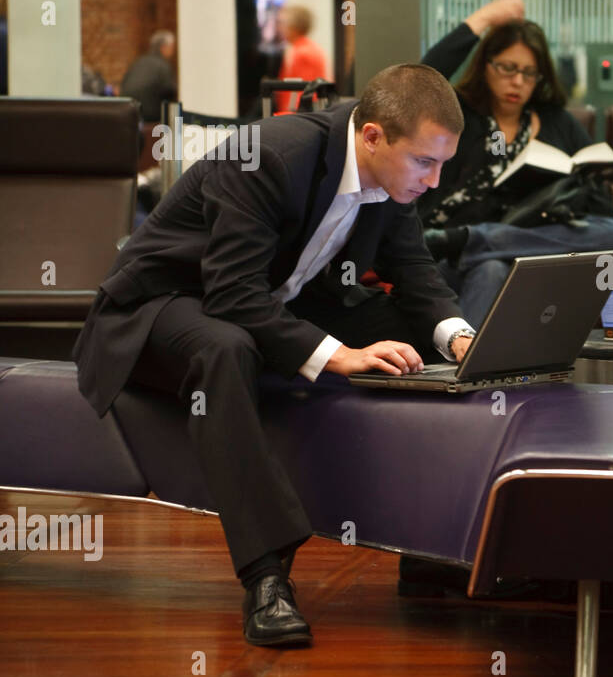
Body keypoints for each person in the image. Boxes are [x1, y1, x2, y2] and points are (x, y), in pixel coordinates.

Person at [72, 63, 475, 647]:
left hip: (267, 299)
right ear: (372, 137)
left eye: (443, 164)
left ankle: (428, 545)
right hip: (162, 304)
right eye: (425, 162)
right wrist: (336, 355)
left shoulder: (393, 179)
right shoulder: (269, 156)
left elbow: (414, 273)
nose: (434, 181)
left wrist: (459, 337)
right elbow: (233, 293)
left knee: (408, 335)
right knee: (226, 347)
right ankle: (266, 577)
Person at [418, 0, 613, 327]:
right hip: (447, 256)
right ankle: (468, 372)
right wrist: (483, 18)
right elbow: (419, 79)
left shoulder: (557, 123)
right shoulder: (459, 113)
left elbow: (602, 211)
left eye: (529, 73)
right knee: (491, 269)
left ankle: (479, 240)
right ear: (485, 65)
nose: (517, 81)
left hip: (530, 257)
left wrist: (571, 194)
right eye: (507, 68)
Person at [275, 4, 331, 113]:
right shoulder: (308, 48)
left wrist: (288, 115)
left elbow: (299, 91)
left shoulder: (301, 52)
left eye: (282, 23)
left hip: (301, 112)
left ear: (294, 26)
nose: (280, 28)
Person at [120, 30, 177, 122]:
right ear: (163, 47)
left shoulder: (139, 61)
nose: (173, 51)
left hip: (128, 111)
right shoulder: (163, 65)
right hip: (149, 115)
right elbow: (170, 90)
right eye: (171, 47)